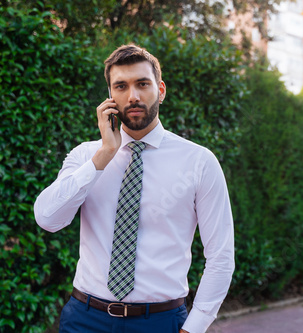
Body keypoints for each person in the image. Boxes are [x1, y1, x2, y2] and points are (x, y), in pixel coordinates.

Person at [34, 44, 235, 333]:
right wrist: (104, 154)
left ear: (161, 90)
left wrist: (195, 326)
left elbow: (221, 255)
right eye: (121, 86)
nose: (133, 96)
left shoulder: (199, 162)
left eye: (142, 84)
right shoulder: (85, 156)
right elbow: (48, 219)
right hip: (85, 319)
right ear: (110, 97)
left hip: (161, 321)